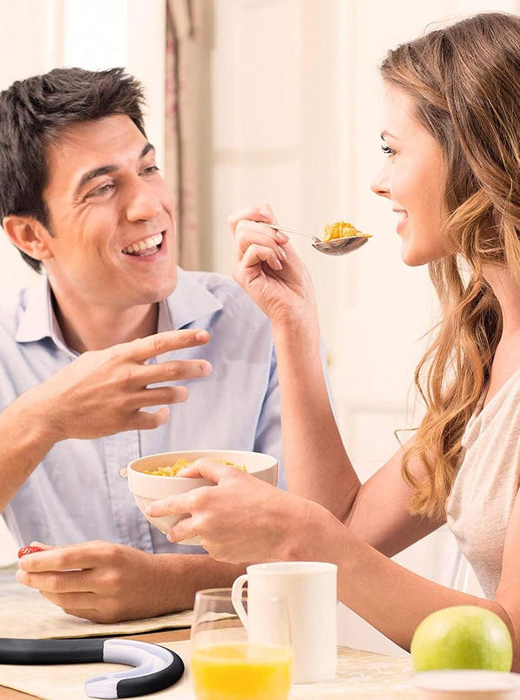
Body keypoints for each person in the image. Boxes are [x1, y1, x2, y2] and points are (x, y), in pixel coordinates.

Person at [148, 11, 520, 665]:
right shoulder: (491, 352)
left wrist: (306, 537)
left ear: (472, 152)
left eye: (392, 148)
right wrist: (294, 326)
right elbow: (350, 526)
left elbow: (511, 641)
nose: (378, 182)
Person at [0, 67, 291, 623]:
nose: (148, 206)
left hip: (243, 662)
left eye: (148, 168)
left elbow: (317, 544)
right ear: (30, 235)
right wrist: (44, 417)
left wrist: (169, 584)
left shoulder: (257, 319)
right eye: (103, 187)